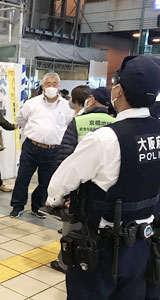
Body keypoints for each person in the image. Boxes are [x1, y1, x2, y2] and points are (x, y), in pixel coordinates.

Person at [46, 55, 160, 300]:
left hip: (103, 248)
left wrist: (55, 201)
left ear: (119, 91)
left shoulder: (105, 139)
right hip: (143, 246)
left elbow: (60, 183)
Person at [50, 86, 115, 273]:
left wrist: (62, 193)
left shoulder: (78, 122)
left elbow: (65, 157)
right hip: (105, 187)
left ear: (92, 100)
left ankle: (66, 263)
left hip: (79, 187)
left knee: (72, 228)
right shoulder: (115, 122)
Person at [10, 72, 74, 219]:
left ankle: (37, 206)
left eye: (54, 84)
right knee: (22, 178)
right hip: (31, 147)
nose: (51, 87)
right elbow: (20, 119)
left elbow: (70, 124)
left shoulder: (66, 106)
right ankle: (17, 206)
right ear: (43, 86)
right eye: (48, 84)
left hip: (53, 150)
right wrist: (32, 131)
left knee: (46, 182)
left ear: (58, 87)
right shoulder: (32, 103)